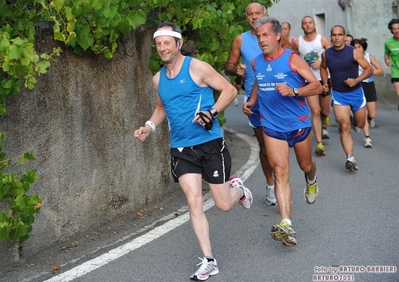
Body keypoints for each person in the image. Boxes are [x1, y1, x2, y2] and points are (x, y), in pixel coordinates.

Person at [134, 21, 253, 281]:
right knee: (194, 201)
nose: (163, 48)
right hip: (181, 148)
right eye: (158, 44)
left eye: (167, 43)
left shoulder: (197, 67)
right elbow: (162, 107)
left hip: (210, 144)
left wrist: (211, 112)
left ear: (178, 43)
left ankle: (239, 190)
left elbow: (230, 90)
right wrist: (149, 126)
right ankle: (209, 260)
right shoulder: (158, 80)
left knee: (222, 204)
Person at [243, 16, 322, 246]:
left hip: (297, 122)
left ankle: (312, 178)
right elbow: (259, 81)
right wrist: (251, 101)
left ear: (278, 35)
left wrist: (294, 91)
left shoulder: (293, 60)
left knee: (305, 165)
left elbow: (318, 86)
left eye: (265, 35)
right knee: (280, 171)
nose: (261, 40)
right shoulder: (257, 62)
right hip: (271, 124)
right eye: (258, 36)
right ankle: (286, 222)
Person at [225, 2, 293, 206]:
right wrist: (234, 70)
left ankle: (284, 180)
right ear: (246, 18)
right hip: (255, 100)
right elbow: (228, 65)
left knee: (283, 146)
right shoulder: (241, 40)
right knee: (264, 146)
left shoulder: (278, 36)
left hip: (280, 98)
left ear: (265, 14)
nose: (254, 17)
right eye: (250, 14)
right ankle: (271, 186)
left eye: (258, 13)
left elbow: (292, 59)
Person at [320, 26, 373, 171]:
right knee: (344, 126)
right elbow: (323, 68)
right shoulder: (326, 54)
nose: (337, 37)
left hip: (356, 92)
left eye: (340, 35)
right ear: (330, 37)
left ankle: (355, 119)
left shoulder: (354, 52)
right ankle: (350, 157)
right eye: (334, 35)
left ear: (344, 36)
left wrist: (356, 80)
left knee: (361, 124)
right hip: (339, 94)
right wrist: (325, 83)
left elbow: (369, 69)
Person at [293, 16, 333, 156]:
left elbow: (333, 55)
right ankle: (320, 143)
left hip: (323, 79)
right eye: (305, 23)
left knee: (325, 111)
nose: (308, 25)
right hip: (309, 81)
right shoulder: (298, 42)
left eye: (310, 23)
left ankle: (325, 118)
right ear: (302, 26)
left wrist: (322, 63)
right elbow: (294, 59)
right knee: (315, 111)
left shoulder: (321, 40)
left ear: (314, 24)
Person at [352, 37, 384, 148]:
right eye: (354, 47)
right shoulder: (350, 57)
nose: (357, 49)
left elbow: (380, 70)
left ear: (364, 48)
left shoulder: (368, 56)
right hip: (356, 85)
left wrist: (369, 72)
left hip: (368, 85)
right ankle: (367, 138)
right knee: (364, 112)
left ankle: (356, 120)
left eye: (359, 47)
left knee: (372, 114)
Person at [384, 18, 399, 111]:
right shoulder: (388, 42)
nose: (397, 31)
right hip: (396, 71)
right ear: (391, 30)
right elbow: (386, 54)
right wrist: (386, 60)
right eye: (394, 28)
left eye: (398, 28)